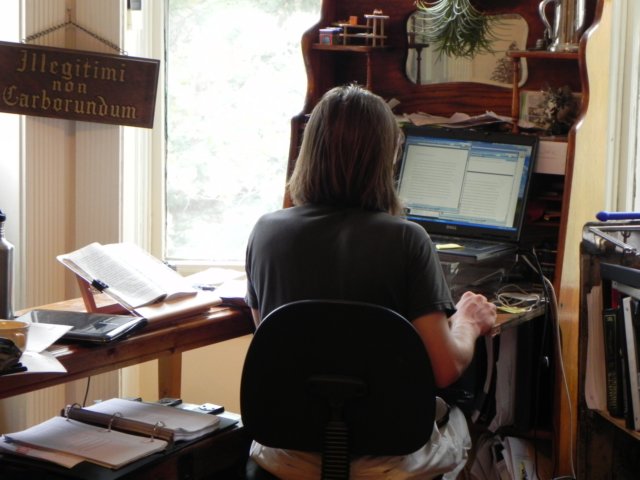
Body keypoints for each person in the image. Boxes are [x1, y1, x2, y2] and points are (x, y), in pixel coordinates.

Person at [244, 84, 496, 479]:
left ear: (308, 152)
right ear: (387, 157)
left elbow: (272, 338)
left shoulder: (265, 232)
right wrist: (468, 322)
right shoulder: (408, 239)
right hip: (389, 456)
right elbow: (444, 370)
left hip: (287, 452)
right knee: (469, 418)